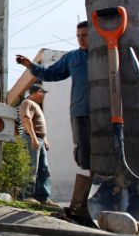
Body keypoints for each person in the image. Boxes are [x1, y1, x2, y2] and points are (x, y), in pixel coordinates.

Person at [15, 21, 90, 171]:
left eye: (85, 35)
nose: (81, 39)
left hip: (105, 112)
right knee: (83, 155)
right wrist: (30, 65)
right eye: (78, 36)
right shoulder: (72, 57)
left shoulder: (105, 53)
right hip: (80, 112)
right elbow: (50, 73)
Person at [19, 84, 58, 206]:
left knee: (43, 169)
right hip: (32, 138)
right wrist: (34, 138)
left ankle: (43, 197)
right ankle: (27, 195)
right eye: (42, 92)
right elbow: (27, 119)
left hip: (39, 139)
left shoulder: (37, 105)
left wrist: (44, 139)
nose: (43, 95)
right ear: (37, 92)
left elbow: (38, 124)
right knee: (31, 168)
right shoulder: (27, 102)